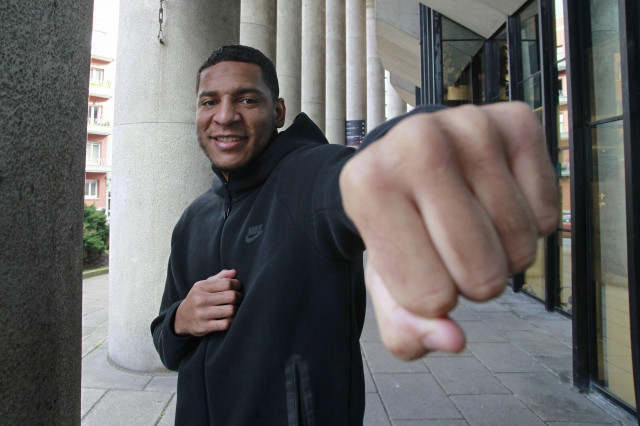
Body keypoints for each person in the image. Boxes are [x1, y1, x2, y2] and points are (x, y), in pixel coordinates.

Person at [151, 45, 558, 425]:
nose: (224, 116)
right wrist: (180, 321)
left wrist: (422, 147)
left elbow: (358, 176)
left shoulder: (308, 178)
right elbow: (165, 343)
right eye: (210, 101)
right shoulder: (193, 219)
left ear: (277, 112)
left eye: (246, 99)